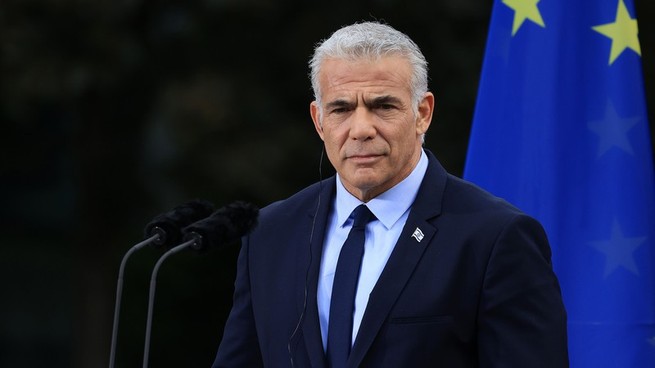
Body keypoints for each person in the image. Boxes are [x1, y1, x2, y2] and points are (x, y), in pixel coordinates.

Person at [212, 21, 568, 367]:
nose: (362, 129)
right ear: (319, 120)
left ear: (422, 113)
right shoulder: (270, 232)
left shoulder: (496, 238)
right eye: (341, 109)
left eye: (383, 106)